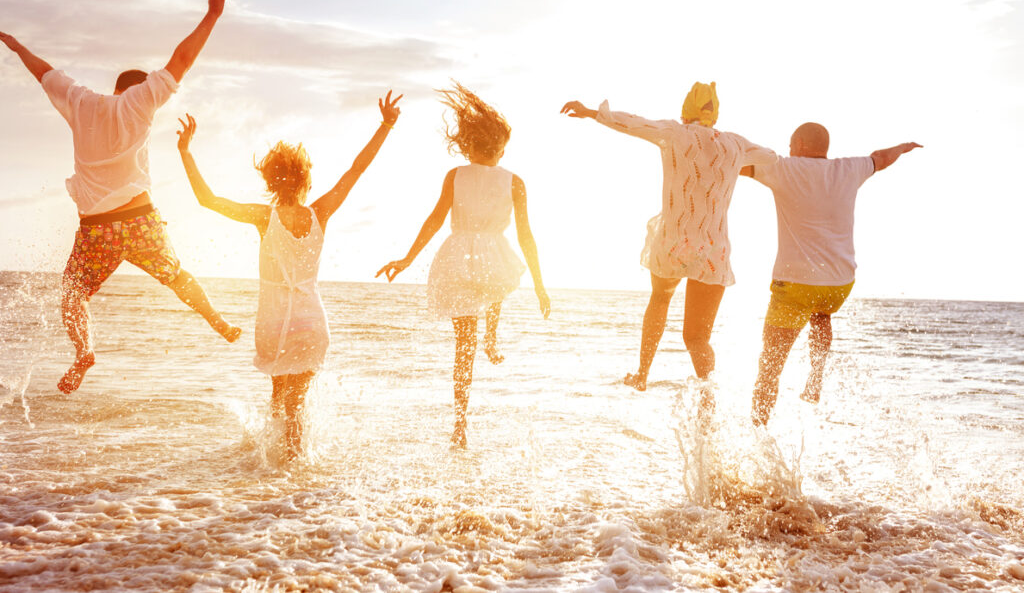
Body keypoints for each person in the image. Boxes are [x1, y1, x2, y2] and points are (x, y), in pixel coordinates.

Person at [0, 0, 239, 394]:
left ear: (116, 88)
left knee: (73, 296)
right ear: (140, 89)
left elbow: (45, 73)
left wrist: (17, 48)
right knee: (177, 277)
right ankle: (218, 321)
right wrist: (212, 15)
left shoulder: (81, 101)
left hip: (96, 230)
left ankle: (83, 351)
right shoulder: (141, 102)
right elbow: (181, 58)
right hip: (140, 219)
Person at [177, 92, 403, 458]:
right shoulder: (321, 212)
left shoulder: (263, 217)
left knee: (280, 397)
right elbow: (356, 171)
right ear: (305, 179)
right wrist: (386, 125)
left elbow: (208, 199)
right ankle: (290, 475)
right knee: (298, 401)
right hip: (311, 320)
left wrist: (186, 152)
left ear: (269, 181)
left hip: (273, 320)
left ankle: (279, 470)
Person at [561, 83, 778, 392]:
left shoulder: (675, 133)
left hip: (673, 243)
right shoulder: (735, 145)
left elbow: (633, 123)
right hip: (712, 250)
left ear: (684, 111)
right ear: (714, 115)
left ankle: (642, 374)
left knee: (660, 299)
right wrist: (730, 163)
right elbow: (770, 157)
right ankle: (707, 398)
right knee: (697, 338)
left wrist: (590, 112)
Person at [377, 83, 549, 448]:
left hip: (457, 258)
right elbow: (526, 237)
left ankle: (460, 423)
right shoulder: (515, 182)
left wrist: (408, 258)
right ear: (500, 148)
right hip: (492, 258)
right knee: (497, 282)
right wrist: (539, 284)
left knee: (462, 348)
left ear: (469, 143)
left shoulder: (456, 175)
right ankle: (493, 336)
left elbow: (434, 220)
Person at [744, 123, 921, 426]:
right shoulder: (849, 169)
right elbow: (880, 157)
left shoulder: (784, 168)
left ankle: (759, 429)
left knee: (769, 366)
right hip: (839, 284)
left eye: (790, 143)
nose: (788, 149)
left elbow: (742, 167)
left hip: (795, 285)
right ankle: (815, 378)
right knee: (822, 312)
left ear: (799, 143)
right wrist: (903, 147)